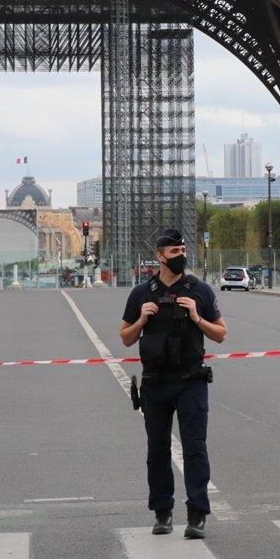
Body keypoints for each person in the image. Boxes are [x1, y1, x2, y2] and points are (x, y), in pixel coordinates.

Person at [120, 229, 227, 539]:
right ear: (159, 256)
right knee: (157, 450)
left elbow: (221, 334)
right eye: (174, 251)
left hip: (191, 380)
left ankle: (197, 514)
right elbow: (125, 338)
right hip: (155, 382)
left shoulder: (199, 290)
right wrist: (141, 320)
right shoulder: (142, 292)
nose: (181, 256)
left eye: (183, 250)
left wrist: (196, 317)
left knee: (195, 449)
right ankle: (162, 513)